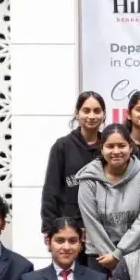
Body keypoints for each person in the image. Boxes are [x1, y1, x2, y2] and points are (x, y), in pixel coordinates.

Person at [76, 123, 140, 274]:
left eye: (121, 146)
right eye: (110, 146)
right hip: (99, 256)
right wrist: (111, 257)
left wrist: (118, 254)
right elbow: (91, 221)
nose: (116, 151)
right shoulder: (88, 178)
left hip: (136, 253)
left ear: (130, 147)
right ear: (102, 148)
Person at [40, 91, 106, 239]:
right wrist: (49, 228)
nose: (91, 116)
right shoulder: (62, 146)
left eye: (97, 111)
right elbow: (51, 189)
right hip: (69, 229)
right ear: (77, 113)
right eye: (86, 110)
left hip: (102, 230)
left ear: (104, 114)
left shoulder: (109, 147)